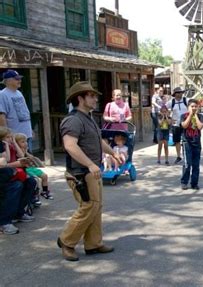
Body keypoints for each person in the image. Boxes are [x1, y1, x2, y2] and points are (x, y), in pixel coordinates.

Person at [58, 81, 123, 261]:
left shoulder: (89, 118)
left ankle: (93, 243)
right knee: (88, 206)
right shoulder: (73, 120)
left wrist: (114, 154)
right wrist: (90, 165)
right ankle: (66, 241)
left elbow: (99, 142)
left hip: (91, 171)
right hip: (79, 173)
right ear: (80, 98)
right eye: (91, 95)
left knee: (96, 206)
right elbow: (70, 146)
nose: (95, 99)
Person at [0, 69, 33, 152]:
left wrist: (30, 129)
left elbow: (24, 112)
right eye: (17, 79)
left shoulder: (19, 93)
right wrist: (7, 135)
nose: (20, 80)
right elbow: (2, 116)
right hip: (15, 137)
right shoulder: (2, 95)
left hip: (26, 134)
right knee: (20, 161)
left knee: (29, 160)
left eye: (20, 78)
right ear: (9, 81)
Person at [14, 133, 53, 200]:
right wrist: (23, 151)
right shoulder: (17, 150)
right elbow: (21, 157)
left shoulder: (26, 149)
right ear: (17, 143)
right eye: (23, 142)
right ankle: (34, 196)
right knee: (35, 180)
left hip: (31, 168)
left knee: (44, 176)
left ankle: (45, 191)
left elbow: (31, 157)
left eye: (26, 141)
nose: (25, 143)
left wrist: (26, 151)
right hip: (25, 169)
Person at [180, 99, 203, 190]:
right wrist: (190, 115)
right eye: (192, 106)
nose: (194, 108)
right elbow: (184, 125)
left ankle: (194, 183)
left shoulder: (200, 116)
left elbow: (200, 127)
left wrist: (196, 116)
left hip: (197, 143)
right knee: (187, 164)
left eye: (195, 106)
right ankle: (184, 182)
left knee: (196, 165)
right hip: (187, 142)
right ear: (188, 108)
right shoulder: (183, 116)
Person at [167, 87, 188, 164]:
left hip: (186, 123)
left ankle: (186, 155)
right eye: (179, 92)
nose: (180, 94)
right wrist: (169, 118)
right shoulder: (171, 102)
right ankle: (179, 156)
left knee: (186, 140)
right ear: (175, 94)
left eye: (181, 92)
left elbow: (194, 106)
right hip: (176, 124)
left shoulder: (186, 100)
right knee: (177, 141)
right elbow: (163, 109)